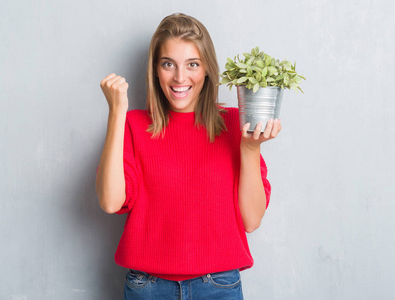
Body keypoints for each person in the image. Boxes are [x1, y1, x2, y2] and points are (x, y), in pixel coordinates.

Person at [96, 13, 281, 300]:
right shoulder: (133, 124)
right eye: (168, 64)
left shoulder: (236, 124)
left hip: (218, 287)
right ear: (156, 70)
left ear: (207, 69)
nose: (180, 77)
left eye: (192, 64)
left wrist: (250, 148)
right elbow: (110, 202)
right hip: (148, 288)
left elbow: (251, 220)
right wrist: (116, 113)